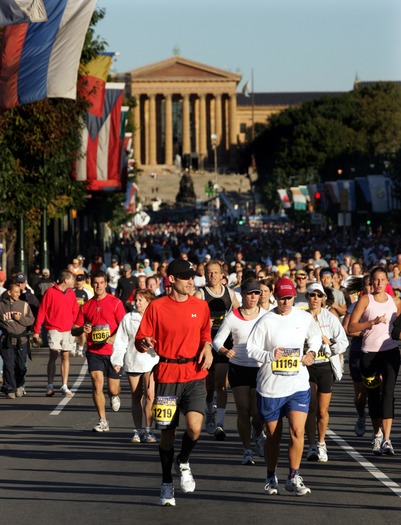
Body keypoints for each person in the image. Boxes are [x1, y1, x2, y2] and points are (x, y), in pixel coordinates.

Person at [135, 259, 213, 507]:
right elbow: (140, 338)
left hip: (195, 373)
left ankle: (184, 461)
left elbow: (205, 333)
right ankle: (167, 482)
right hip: (167, 375)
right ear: (171, 280)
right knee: (167, 433)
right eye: (184, 277)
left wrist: (208, 347)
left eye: (192, 277)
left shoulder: (200, 306)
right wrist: (144, 342)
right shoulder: (157, 307)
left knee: (195, 428)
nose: (191, 281)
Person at [246, 277, 321, 496]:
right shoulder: (265, 321)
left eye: (289, 298)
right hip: (271, 387)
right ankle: (271, 476)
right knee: (274, 436)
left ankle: (293, 476)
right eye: (281, 298)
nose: (285, 302)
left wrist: (311, 353)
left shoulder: (304, 317)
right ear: (275, 297)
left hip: (297, 384)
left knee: (298, 431)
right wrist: (269, 355)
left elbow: (315, 337)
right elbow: (251, 349)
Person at [213, 279, 268, 465]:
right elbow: (217, 341)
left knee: (258, 413)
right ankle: (247, 450)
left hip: (261, 368)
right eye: (250, 293)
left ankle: (258, 433)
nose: (253, 297)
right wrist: (224, 351)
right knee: (243, 410)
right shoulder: (232, 317)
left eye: (257, 293)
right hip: (239, 367)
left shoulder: (267, 316)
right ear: (242, 295)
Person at [348, 266, 401, 455]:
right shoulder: (365, 300)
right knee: (373, 396)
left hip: (390, 352)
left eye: (382, 280)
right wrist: (371, 323)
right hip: (368, 354)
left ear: (388, 282)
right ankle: (377, 434)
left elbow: (398, 327)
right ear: (371, 282)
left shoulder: (396, 302)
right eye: (374, 280)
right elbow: (351, 327)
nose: (378, 284)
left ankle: (387, 439)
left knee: (388, 393)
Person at [71, 271, 126, 432]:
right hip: (94, 351)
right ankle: (103, 420)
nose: (98, 286)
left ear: (106, 284)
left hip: (114, 352)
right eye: (95, 283)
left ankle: (114, 396)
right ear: (92, 284)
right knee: (97, 384)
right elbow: (74, 330)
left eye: (101, 282)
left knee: (113, 389)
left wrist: (114, 337)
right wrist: (83, 328)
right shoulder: (87, 306)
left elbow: (124, 326)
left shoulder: (115, 303)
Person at [194, 260, 239, 439]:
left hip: (223, 343)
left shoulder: (230, 293)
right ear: (205, 275)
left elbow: (239, 315)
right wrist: (203, 322)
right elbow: (191, 319)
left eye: (215, 272)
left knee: (221, 383)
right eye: (209, 273)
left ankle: (219, 422)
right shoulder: (200, 295)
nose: (212, 276)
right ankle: (209, 408)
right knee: (210, 384)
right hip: (205, 343)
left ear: (222, 275)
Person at [304, 283, 348, 463]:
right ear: (307, 297)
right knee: (311, 407)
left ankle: (322, 443)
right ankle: (311, 444)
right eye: (312, 295)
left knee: (322, 410)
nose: (315, 298)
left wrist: (329, 342)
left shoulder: (330, 318)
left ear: (323, 298)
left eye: (318, 295)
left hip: (325, 367)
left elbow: (343, 342)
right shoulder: (300, 317)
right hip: (306, 367)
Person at [111, 289, 159, 443]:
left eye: (140, 300)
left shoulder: (156, 317)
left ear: (149, 302)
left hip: (152, 360)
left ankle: (149, 430)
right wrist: (117, 360)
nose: (136, 303)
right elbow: (121, 341)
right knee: (136, 396)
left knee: (150, 395)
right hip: (133, 361)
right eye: (136, 300)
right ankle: (138, 430)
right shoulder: (128, 318)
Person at [33, 270, 79, 397]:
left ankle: (64, 385)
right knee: (53, 354)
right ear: (66, 280)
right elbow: (42, 311)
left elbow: (76, 311)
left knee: (66, 356)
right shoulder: (50, 292)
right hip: (54, 328)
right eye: (72, 279)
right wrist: (36, 331)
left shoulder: (71, 293)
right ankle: (50, 385)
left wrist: (76, 330)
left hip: (68, 329)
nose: (74, 281)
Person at [343, 275, 371, 437]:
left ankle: (379, 426)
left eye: (372, 284)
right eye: (367, 284)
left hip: (378, 352)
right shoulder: (354, 307)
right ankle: (361, 415)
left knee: (379, 390)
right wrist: (367, 331)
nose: (370, 288)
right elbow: (347, 329)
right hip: (358, 350)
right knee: (360, 395)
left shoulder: (384, 306)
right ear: (363, 287)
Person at [0, 283, 35, 398]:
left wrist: (20, 318)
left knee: (21, 366)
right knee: (8, 364)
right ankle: (10, 388)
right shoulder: (1, 305)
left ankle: (19, 384)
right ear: (9, 292)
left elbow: (31, 320)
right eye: (15, 292)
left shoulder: (24, 305)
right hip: (7, 340)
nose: (17, 294)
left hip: (22, 340)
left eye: (19, 292)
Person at [73, 275, 89, 357]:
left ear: (83, 282)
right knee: (75, 332)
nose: (78, 282)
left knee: (83, 333)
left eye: (80, 281)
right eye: (77, 281)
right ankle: (74, 346)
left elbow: (89, 304)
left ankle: (80, 348)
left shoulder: (86, 292)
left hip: (82, 316)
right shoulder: (72, 291)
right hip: (73, 316)